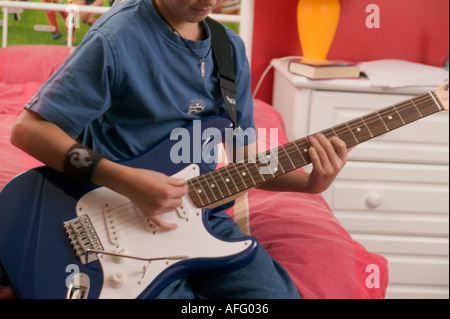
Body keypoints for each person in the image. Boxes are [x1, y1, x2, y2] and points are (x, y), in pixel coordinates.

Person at [10, 0, 349, 299]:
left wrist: (309, 184)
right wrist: (128, 181)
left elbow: (245, 160)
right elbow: (29, 130)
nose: (211, 1)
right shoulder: (117, 37)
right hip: (115, 216)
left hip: (205, 214)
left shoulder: (229, 50)